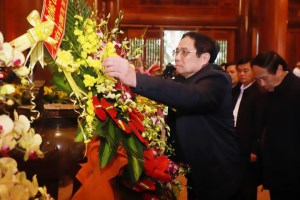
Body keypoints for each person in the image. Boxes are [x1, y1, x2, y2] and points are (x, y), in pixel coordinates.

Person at [103, 31, 242, 200]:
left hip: (219, 171)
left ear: (204, 58)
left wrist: (134, 79)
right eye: (177, 51)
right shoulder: (183, 80)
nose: (177, 57)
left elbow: (191, 97)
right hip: (196, 172)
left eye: (184, 52)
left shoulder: (216, 79)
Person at [251, 51, 300, 200]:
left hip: (294, 172)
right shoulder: (271, 92)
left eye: (264, 78)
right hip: (277, 169)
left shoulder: (297, 90)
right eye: (258, 80)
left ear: (279, 69)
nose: (262, 84)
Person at [233, 58, 267, 200]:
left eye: (245, 70)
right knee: (234, 183)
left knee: (247, 186)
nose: (242, 74)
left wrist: (255, 149)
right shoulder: (235, 90)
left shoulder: (259, 93)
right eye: (239, 71)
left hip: (248, 146)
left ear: (254, 71)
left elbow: (260, 124)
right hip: (233, 144)